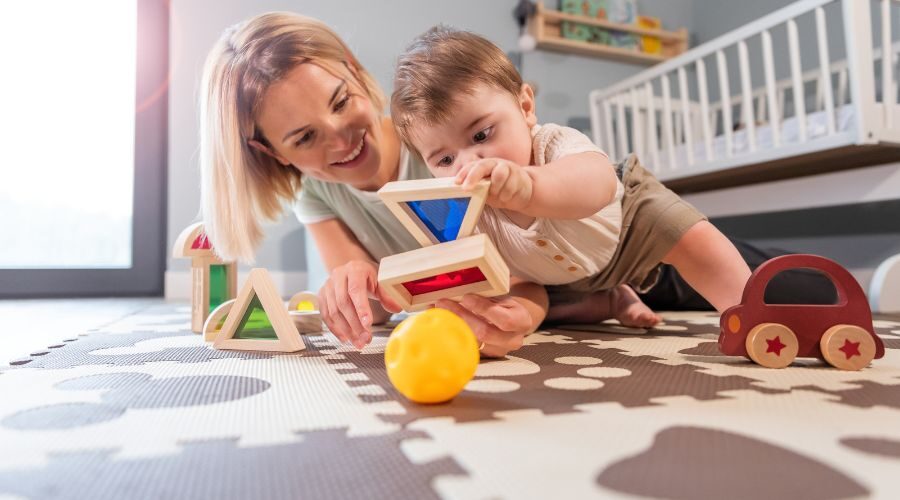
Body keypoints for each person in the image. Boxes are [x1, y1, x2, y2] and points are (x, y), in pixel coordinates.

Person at [198, 12, 549, 357]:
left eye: (341, 101)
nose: (341, 139)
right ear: (272, 152)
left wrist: (522, 312)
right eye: (305, 137)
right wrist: (353, 286)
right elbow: (379, 308)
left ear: (351, 67)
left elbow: (527, 276)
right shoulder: (316, 192)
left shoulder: (447, 149)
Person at [391, 25, 756, 326]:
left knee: (689, 237)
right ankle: (611, 299)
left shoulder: (553, 142)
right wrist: (521, 314)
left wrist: (528, 187)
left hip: (626, 222)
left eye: (482, 135)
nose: (469, 163)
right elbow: (521, 281)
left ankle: (749, 313)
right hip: (567, 276)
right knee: (534, 303)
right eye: (445, 159)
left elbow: (594, 184)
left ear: (525, 107)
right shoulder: (469, 213)